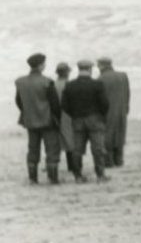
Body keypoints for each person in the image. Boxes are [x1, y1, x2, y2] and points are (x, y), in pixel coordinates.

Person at [15, 53, 63, 184]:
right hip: (47, 121)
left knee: (33, 149)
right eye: (44, 63)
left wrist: (28, 112)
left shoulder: (20, 82)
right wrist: (58, 119)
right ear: (41, 65)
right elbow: (55, 105)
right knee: (52, 150)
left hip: (30, 121)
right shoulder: (47, 82)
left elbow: (19, 102)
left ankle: (33, 178)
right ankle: (53, 178)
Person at [62, 61, 111, 182]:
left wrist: (74, 114)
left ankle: (78, 176)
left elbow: (64, 105)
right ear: (90, 69)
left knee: (77, 149)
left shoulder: (70, 85)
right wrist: (101, 115)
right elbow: (105, 104)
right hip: (95, 119)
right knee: (98, 148)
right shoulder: (97, 84)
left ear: (79, 69)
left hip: (77, 119)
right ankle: (100, 175)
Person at [96, 58, 130, 168]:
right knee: (120, 133)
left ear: (101, 66)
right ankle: (119, 160)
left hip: (107, 111)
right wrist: (126, 107)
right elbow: (127, 93)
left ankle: (109, 161)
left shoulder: (100, 78)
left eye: (98, 65)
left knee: (107, 135)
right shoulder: (123, 76)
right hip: (121, 109)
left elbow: (99, 98)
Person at [53, 62, 76, 174]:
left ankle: (54, 165)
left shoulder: (53, 84)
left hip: (55, 114)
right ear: (67, 72)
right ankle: (71, 166)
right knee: (70, 140)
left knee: (56, 141)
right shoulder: (70, 84)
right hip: (68, 114)